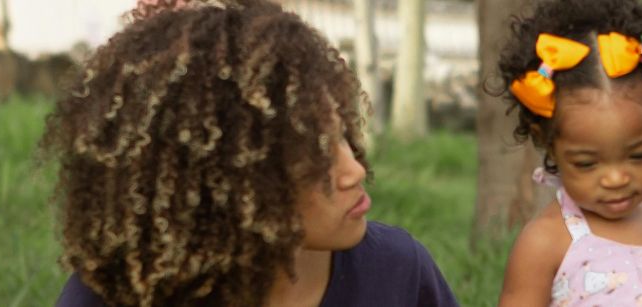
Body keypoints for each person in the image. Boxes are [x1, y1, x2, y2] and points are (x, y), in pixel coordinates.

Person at [41, 1, 457, 306]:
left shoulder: (395, 273)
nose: (354, 172)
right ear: (222, 185)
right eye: (315, 163)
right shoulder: (120, 292)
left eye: (344, 138)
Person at [492, 0, 642, 306]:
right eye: (587, 163)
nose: (616, 178)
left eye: (638, 155)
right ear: (548, 142)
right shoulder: (545, 242)